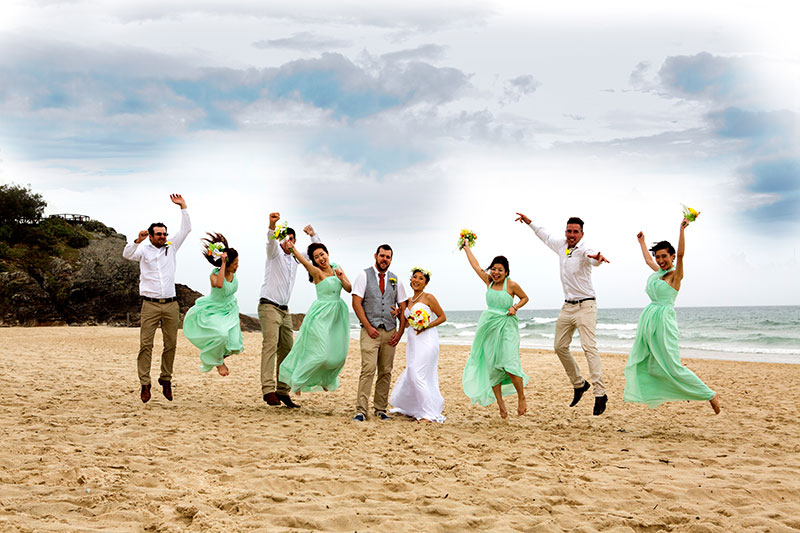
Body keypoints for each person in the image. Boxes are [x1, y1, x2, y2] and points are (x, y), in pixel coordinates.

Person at [515, 212, 610, 415]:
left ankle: (600, 393)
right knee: (559, 346)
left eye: (575, 231)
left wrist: (598, 259)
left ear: (582, 234)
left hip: (586, 306)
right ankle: (579, 384)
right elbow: (545, 236)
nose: (571, 234)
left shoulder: (585, 249)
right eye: (569, 230)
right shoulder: (561, 245)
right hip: (567, 306)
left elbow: (592, 257)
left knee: (588, 347)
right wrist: (529, 222)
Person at [624, 219, 720, 414]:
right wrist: (642, 242)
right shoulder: (658, 272)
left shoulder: (675, 275)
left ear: (672, 256)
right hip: (649, 320)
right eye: (658, 257)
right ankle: (663, 391)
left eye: (664, 257)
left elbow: (683, 254)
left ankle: (709, 394)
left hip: (663, 321)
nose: (660, 260)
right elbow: (648, 261)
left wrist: (681, 230)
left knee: (672, 365)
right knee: (650, 363)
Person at [123, 194, 191, 403]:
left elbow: (186, 229)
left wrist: (183, 207)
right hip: (150, 305)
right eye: (158, 234)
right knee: (146, 345)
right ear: (151, 235)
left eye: (164, 233)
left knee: (171, 345)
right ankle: (145, 383)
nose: (162, 236)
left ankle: (166, 379)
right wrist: (137, 240)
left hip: (171, 304)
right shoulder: (143, 249)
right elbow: (127, 254)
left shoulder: (171, 247)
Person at [258, 212, 321, 408]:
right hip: (268, 305)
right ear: (281, 240)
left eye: (293, 239)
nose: (289, 242)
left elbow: (315, 254)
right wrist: (272, 224)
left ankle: (282, 391)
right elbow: (269, 242)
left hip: (285, 310)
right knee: (270, 346)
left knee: (287, 350)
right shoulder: (274, 253)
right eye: (286, 238)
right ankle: (267, 390)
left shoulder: (295, 258)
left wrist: (313, 235)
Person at [461, 247, 530, 419]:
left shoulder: (511, 285)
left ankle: (522, 397)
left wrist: (515, 307)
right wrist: (466, 248)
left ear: (506, 272)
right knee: (492, 367)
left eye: (500, 270)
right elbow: (475, 265)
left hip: (507, 326)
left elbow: (525, 298)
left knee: (510, 364)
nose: (496, 272)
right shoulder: (488, 281)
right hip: (489, 327)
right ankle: (501, 406)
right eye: (494, 268)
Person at [278, 242, 352, 393]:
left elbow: (349, 288)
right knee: (321, 354)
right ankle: (297, 380)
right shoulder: (316, 272)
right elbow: (304, 261)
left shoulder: (336, 266)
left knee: (338, 355)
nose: (320, 258)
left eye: (322, 254)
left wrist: (342, 277)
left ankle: (326, 379)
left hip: (337, 315)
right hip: (321, 315)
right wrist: (292, 248)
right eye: (316, 257)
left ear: (327, 253)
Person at [351, 244, 408, 421]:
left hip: (390, 331)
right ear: (375, 256)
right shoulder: (363, 275)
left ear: (391, 259)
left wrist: (399, 333)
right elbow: (356, 302)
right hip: (370, 331)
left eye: (388, 257)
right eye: (382, 256)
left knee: (386, 371)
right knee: (368, 369)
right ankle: (361, 410)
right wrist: (368, 326)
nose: (384, 259)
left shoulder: (395, 280)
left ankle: (380, 409)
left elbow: (403, 305)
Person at [389, 267, 447, 423]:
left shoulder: (429, 298)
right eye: (415, 277)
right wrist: (398, 315)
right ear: (411, 280)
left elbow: (442, 317)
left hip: (427, 339)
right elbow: (407, 325)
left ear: (426, 282)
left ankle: (428, 413)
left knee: (417, 374)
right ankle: (415, 407)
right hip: (413, 342)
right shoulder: (408, 301)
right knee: (413, 373)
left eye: (421, 278)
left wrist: (426, 325)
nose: (417, 280)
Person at [183, 233, 243, 376]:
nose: (237, 266)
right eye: (234, 263)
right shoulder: (214, 275)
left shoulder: (233, 274)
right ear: (227, 264)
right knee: (221, 335)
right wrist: (222, 263)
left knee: (234, 343)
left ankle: (219, 357)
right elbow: (220, 284)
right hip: (214, 309)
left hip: (230, 309)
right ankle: (218, 362)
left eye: (237, 263)